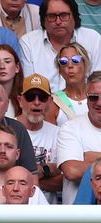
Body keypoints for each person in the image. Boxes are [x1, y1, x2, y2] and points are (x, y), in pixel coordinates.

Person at [20, 0, 101, 92]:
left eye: (64, 15)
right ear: (44, 20)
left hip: (84, 103)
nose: (58, 21)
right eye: (52, 16)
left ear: (74, 16)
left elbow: (97, 82)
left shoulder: (93, 38)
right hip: (43, 103)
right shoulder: (29, 42)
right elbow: (29, 87)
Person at [55, 69, 101, 203]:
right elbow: (72, 171)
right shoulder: (70, 128)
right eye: (93, 97)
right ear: (87, 99)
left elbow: (79, 169)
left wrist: (91, 158)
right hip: (78, 220)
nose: (99, 103)